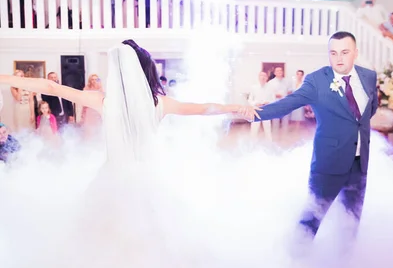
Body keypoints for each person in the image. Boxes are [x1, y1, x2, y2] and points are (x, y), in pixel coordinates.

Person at [0, 40, 257, 158]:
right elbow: (204, 109)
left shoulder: (102, 101)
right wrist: (237, 108)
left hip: (116, 176)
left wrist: (5, 78)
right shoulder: (160, 102)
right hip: (148, 175)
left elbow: (49, 87)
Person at [253, 31, 378, 243]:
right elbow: (288, 104)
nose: (338, 58)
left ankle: (345, 262)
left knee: (351, 219)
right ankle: (297, 260)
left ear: (355, 53)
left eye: (345, 52)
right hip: (328, 163)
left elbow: (370, 110)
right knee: (311, 218)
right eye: (333, 53)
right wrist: (252, 113)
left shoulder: (368, 76)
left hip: (359, 163)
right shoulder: (316, 80)